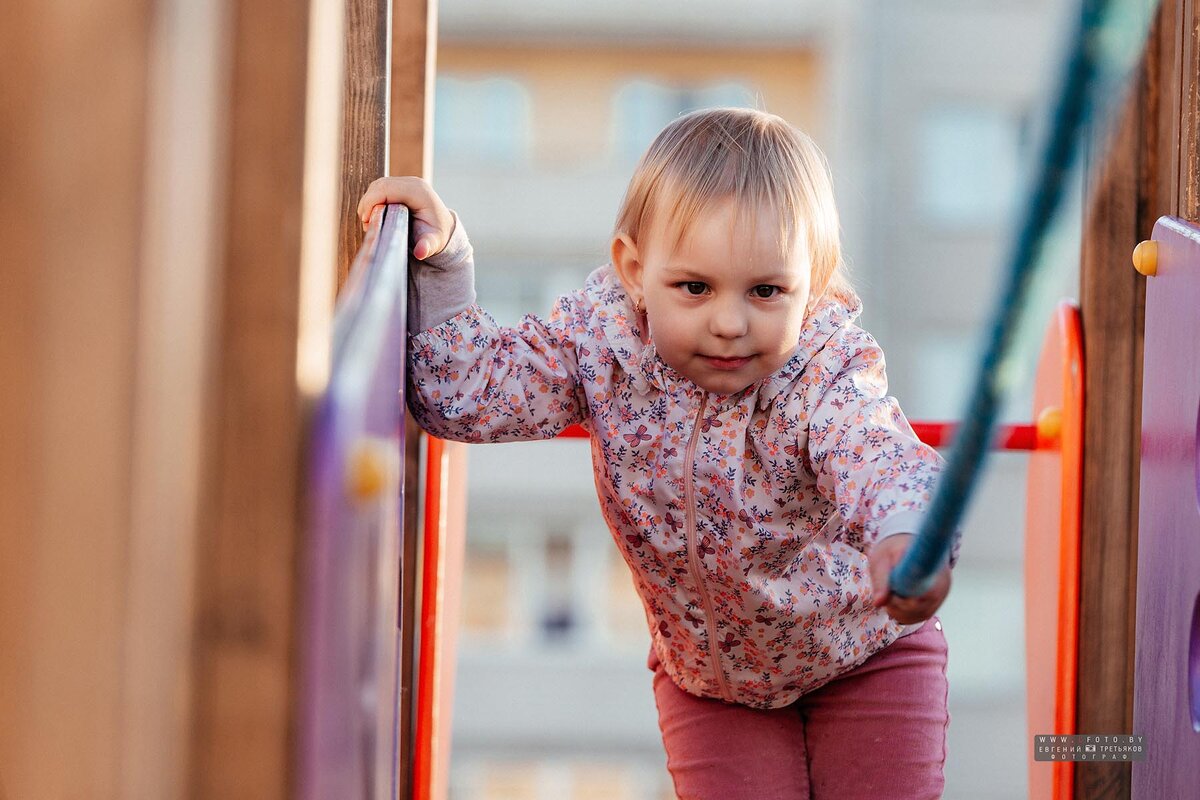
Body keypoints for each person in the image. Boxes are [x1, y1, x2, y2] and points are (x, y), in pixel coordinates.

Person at [358, 107, 959, 799]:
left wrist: (908, 536)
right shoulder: (602, 345)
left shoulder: (823, 373)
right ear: (634, 270)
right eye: (694, 287)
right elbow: (465, 395)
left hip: (866, 655)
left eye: (767, 291)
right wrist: (444, 263)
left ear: (813, 285)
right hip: (712, 681)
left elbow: (876, 452)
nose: (730, 322)